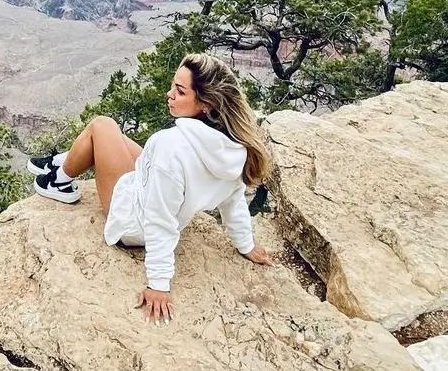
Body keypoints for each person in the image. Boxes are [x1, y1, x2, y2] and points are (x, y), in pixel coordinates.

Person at [27, 52, 273, 325]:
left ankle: (59, 179)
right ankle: (64, 160)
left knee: (102, 125)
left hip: (133, 223)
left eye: (180, 91)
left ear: (206, 104)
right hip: (158, 199)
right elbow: (234, 200)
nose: (169, 94)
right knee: (116, 138)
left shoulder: (170, 146)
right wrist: (246, 245)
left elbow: (159, 219)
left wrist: (159, 284)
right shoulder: (235, 149)